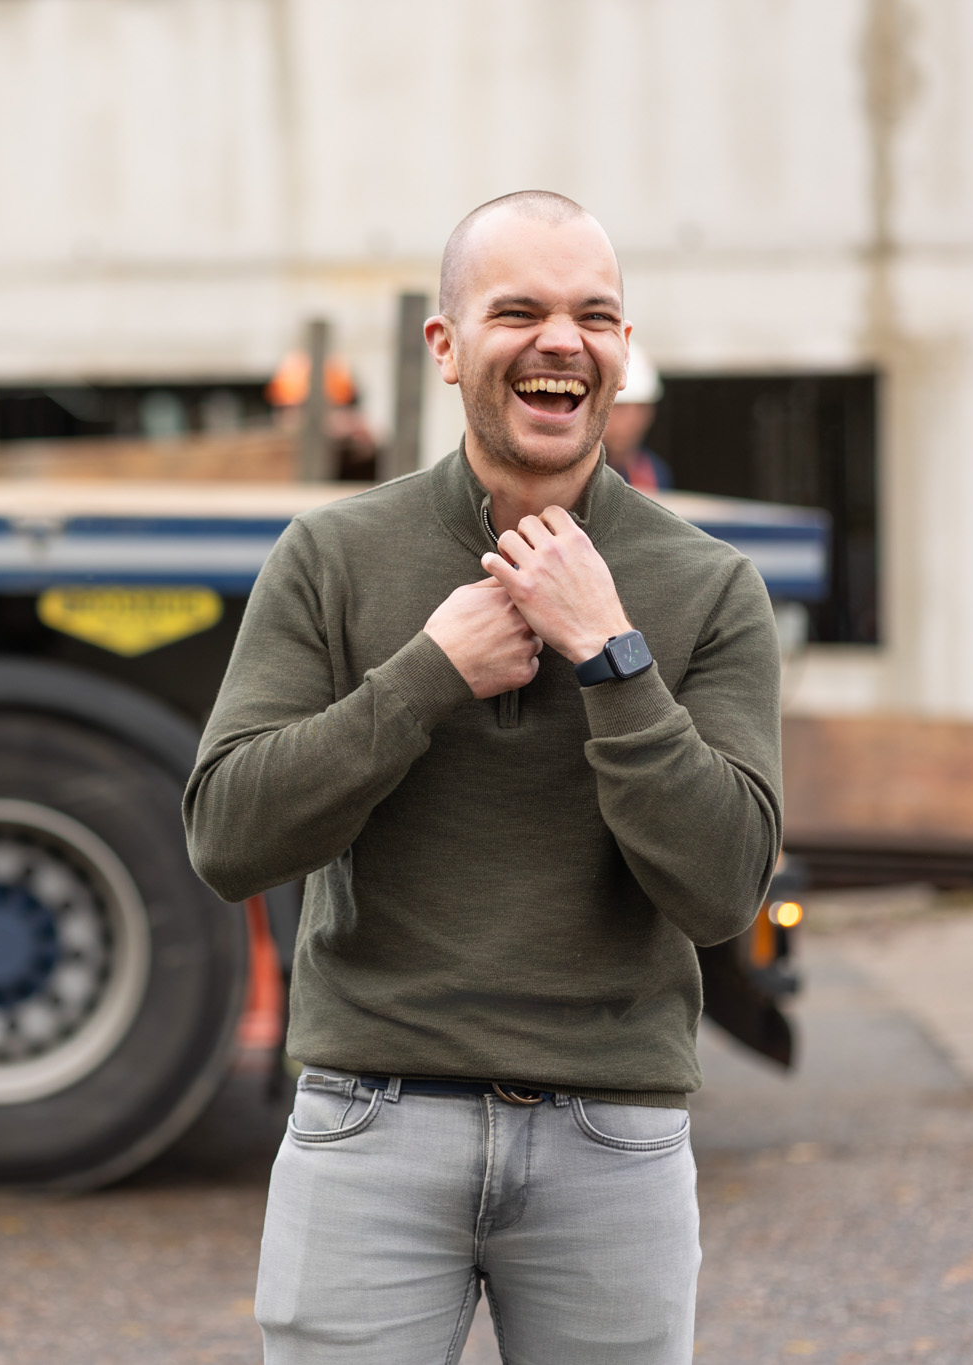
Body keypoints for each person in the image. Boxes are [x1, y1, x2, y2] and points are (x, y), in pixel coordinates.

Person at [184, 192, 781, 1363]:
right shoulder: (332, 557)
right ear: (446, 346)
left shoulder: (708, 590)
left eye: (593, 317)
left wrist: (613, 658)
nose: (561, 341)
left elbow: (720, 893)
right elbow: (225, 839)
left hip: (611, 1139)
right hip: (369, 1124)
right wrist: (421, 680)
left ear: (618, 351)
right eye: (518, 311)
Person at [606, 343, 674, 492]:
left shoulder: (655, 473)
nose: (632, 420)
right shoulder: (569, 474)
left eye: (641, 408)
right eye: (620, 408)